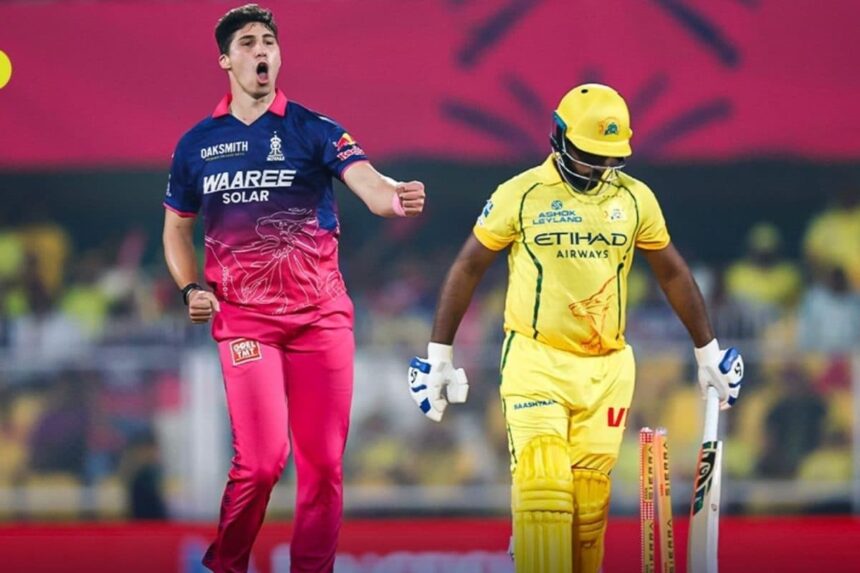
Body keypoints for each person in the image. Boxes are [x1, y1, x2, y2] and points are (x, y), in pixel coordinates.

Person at [407, 84, 743, 573]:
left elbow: (671, 271)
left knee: (587, 510)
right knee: (544, 485)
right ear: (559, 138)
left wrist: (706, 352)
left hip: (607, 370)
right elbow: (468, 266)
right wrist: (439, 355)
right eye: (588, 156)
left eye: (609, 159)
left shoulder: (635, 198)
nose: (599, 169)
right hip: (536, 360)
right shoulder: (521, 193)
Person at [161, 5, 425, 572]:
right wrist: (190, 290)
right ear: (226, 60)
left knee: (323, 467)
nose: (262, 50)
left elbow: (369, 184)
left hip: (320, 320)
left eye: (269, 41)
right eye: (248, 43)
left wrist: (394, 197)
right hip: (245, 321)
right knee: (261, 463)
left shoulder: (314, 129)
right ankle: (227, 565)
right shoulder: (197, 145)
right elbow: (176, 231)